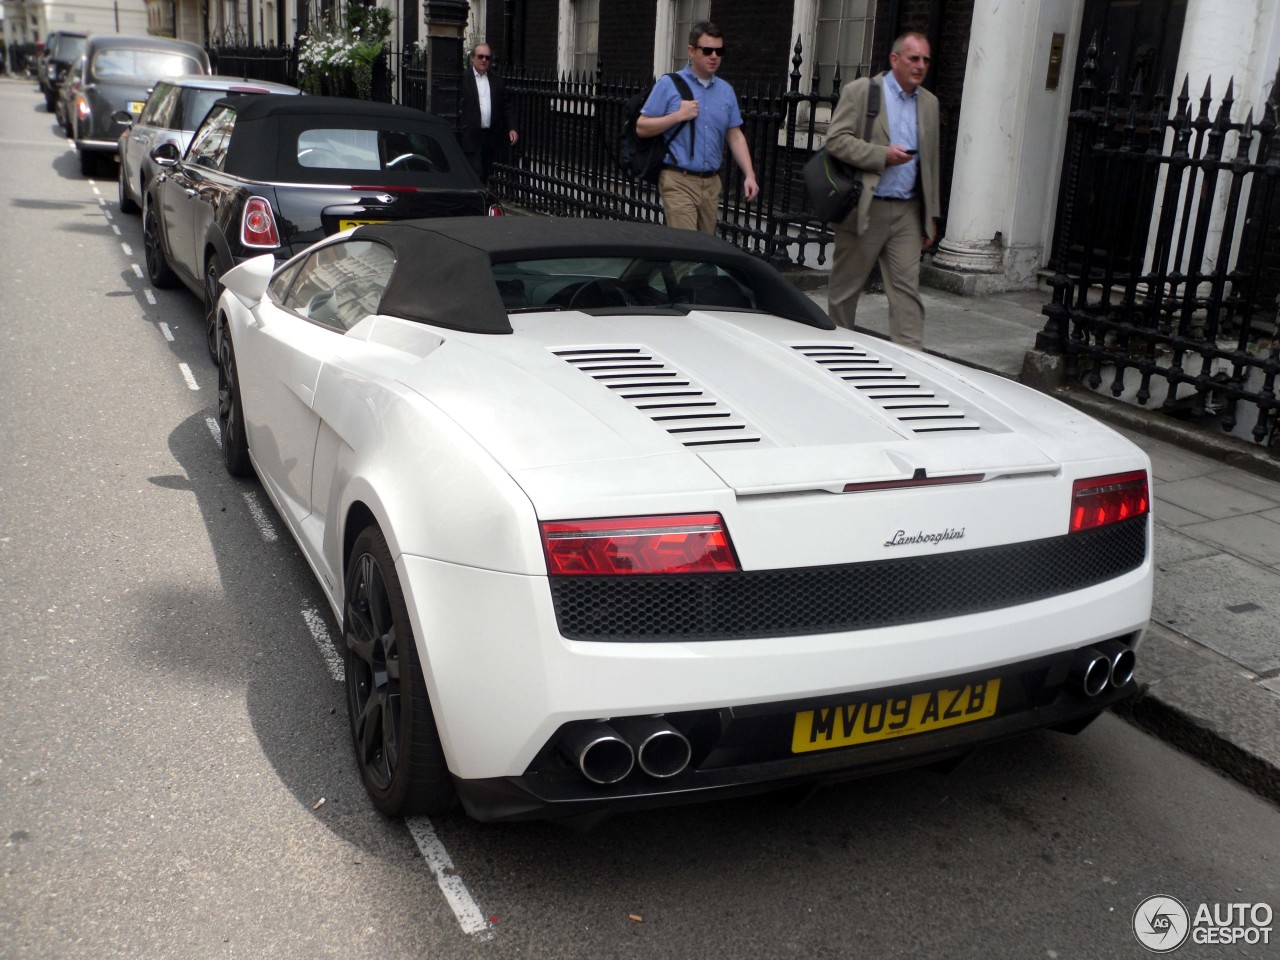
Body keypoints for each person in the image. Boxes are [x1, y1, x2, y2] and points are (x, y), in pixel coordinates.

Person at [824, 32, 940, 351]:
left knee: (907, 294)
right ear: (894, 59)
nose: (920, 66)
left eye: (925, 60)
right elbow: (835, 140)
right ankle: (837, 353)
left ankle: (911, 364)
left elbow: (930, 163)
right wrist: (881, 155)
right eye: (913, 58)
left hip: (907, 212)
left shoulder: (929, 103)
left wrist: (931, 214)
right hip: (865, 206)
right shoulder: (862, 92)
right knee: (846, 290)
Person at [636, 21, 759, 234]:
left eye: (719, 51)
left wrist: (749, 174)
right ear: (691, 51)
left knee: (705, 250)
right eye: (708, 50)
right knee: (688, 248)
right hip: (678, 180)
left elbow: (735, 135)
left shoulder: (726, 91)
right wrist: (677, 116)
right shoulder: (669, 84)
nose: (714, 56)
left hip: (711, 183)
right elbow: (642, 127)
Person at [457, 42, 518, 182]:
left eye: (487, 57)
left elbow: (506, 105)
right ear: (472, 58)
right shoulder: (463, 79)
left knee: (485, 172)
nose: (484, 60)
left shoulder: (497, 80)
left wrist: (512, 128)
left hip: (490, 135)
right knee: (475, 172)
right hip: (471, 135)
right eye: (480, 56)